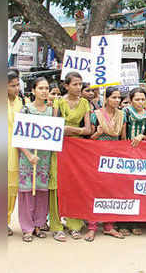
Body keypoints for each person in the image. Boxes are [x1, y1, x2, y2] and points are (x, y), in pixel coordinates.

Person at [51, 72, 92, 241]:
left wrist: (70, 130)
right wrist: (72, 130)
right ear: (66, 86)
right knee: (56, 184)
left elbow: (88, 130)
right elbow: (54, 126)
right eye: (74, 84)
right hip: (59, 147)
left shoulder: (85, 103)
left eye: (80, 84)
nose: (78, 87)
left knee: (74, 184)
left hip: (76, 148)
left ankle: (74, 225)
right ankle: (56, 226)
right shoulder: (59, 102)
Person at [84, 86, 126, 241]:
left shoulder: (122, 115)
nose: (117, 100)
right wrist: (98, 133)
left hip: (114, 157)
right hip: (97, 156)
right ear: (106, 99)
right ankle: (92, 227)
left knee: (112, 191)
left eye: (119, 98)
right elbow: (89, 140)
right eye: (114, 97)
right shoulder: (96, 115)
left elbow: (122, 139)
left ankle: (109, 226)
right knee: (95, 190)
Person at [17, 77, 53, 242]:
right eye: (41, 88)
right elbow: (18, 137)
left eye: (46, 88)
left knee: (41, 192)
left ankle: (39, 224)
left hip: (45, 157)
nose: (44, 91)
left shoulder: (52, 111)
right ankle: (27, 228)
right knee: (26, 193)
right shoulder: (26, 110)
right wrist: (29, 155)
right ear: (33, 91)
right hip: (28, 157)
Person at [117, 88, 146, 236]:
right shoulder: (125, 112)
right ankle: (122, 223)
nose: (140, 102)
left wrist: (142, 137)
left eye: (143, 99)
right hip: (126, 153)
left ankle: (135, 222)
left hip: (143, 155)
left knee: (138, 188)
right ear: (131, 100)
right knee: (124, 189)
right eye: (137, 99)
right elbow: (122, 135)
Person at [7, 69, 23, 236]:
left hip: (16, 150)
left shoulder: (21, 102)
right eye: (12, 86)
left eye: (18, 85)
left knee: (12, 188)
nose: (16, 88)